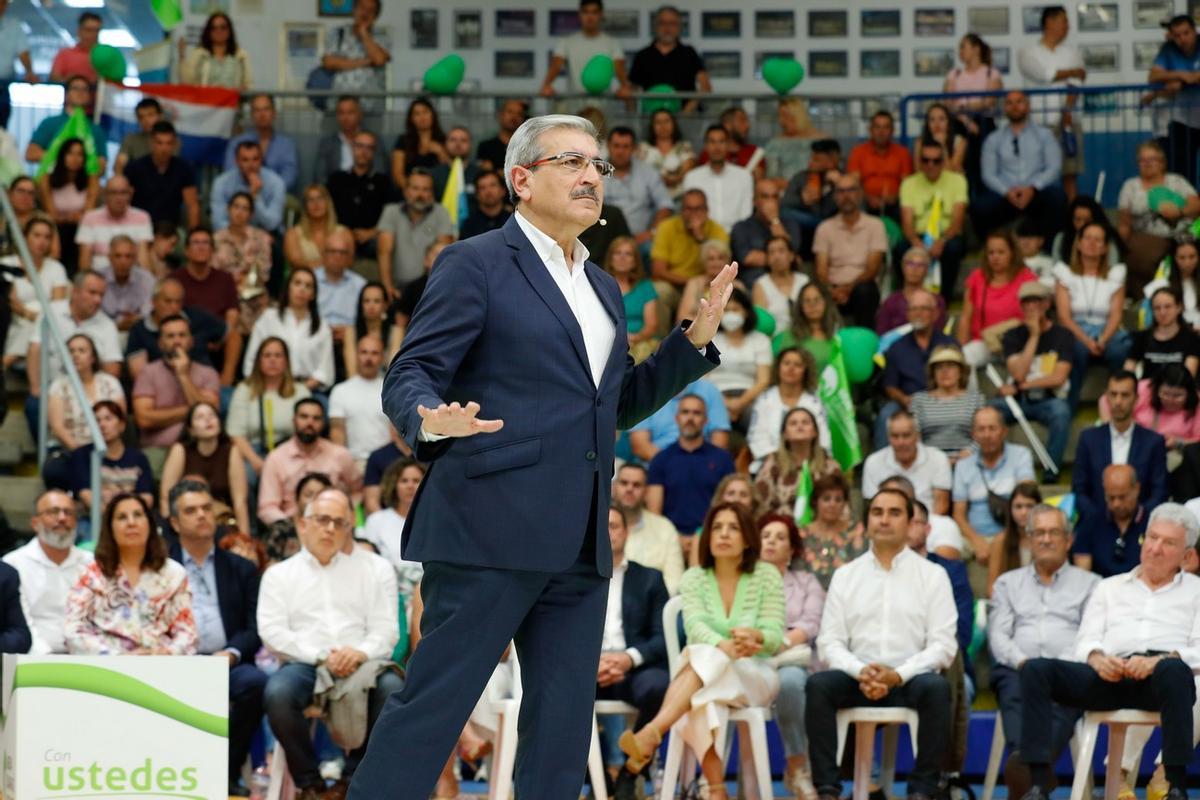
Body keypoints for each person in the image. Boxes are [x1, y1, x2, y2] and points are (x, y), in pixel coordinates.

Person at [350, 113, 735, 797]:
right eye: (572, 162)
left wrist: (689, 346)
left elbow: (610, 407)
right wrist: (427, 420)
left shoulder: (603, 288)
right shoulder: (474, 263)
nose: (593, 176)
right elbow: (409, 372)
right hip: (485, 527)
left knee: (560, 735)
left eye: (600, 166)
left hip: (579, 542)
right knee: (430, 715)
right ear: (522, 180)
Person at [1015, 503, 1200, 800]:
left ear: (1187, 555)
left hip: (1160, 680)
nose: (1155, 548)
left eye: (1168, 543)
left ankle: (1175, 787)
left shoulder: (1195, 591)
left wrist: (1158, 662)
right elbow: (1086, 638)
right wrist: (1097, 658)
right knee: (1036, 669)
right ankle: (1037, 784)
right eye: (1151, 538)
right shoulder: (1109, 587)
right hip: (1107, 676)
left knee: (1175, 671)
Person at [617, 503, 783, 800]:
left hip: (756, 673)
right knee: (703, 694)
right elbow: (694, 627)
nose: (723, 534)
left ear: (747, 538)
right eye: (717, 528)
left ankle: (654, 731)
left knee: (703, 667)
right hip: (708, 678)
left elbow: (774, 635)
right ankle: (716, 790)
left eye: (733, 528)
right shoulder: (694, 578)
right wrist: (724, 646)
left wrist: (755, 637)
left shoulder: (767, 575)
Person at [807, 488, 956, 800]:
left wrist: (898, 674)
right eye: (877, 512)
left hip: (909, 678)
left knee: (938, 689)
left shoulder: (933, 575)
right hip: (857, 677)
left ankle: (922, 790)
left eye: (894, 512)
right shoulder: (846, 575)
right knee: (818, 684)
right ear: (867, 522)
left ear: (909, 522)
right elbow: (829, 642)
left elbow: (943, 645)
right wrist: (862, 671)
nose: (884, 519)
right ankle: (827, 789)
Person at [259, 488, 403, 797]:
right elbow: (272, 632)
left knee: (392, 688)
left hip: (361, 661)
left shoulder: (372, 569)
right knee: (278, 693)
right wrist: (323, 655)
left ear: (349, 528)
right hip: (306, 662)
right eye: (322, 519)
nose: (330, 529)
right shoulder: (279, 575)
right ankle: (310, 784)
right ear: (302, 524)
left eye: (340, 523)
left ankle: (351, 781)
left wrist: (360, 652)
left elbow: (386, 629)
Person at [988, 503, 1099, 798]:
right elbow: (998, 635)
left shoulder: (1092, 585)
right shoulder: (1007, 583)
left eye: (1053, 532)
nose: (1046, 539)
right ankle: (1034, 772)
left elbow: (1090, 635)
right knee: (1013, 691)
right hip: (1017, 667)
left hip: (1068, 670)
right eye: (1039, 533)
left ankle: (1025, 764)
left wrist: (1052, 669)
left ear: (1068, 540)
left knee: (1064, 697)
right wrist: (1024, 663)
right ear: (1029, 538)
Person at [165, 479, 267, 796]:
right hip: (174, 661)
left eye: (207, 508)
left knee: (256, 682)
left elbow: (255, 628)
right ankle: (172, 770)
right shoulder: (161, 565)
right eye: (191, 510)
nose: (202, 516)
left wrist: (233, 652)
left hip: (227, 662)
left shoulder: (240, 567)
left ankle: (227, 770)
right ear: (174, 522)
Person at [64, 492, 197, 655]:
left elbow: (187, 633)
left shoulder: (174, 574)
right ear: (110, 528)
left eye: (138, 515)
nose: (131, 523)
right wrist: (119, 657)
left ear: (150, 524)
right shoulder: (90, 573)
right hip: (106, 670)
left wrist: (166, 653)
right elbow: (73, 630)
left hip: (162, 668)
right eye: (122, 517)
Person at [597, 504, 670, 799]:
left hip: (633, 668)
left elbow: (663, 637)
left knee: (659, 686)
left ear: (626, 533)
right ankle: (598, 777)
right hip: (588, 670)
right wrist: (593, 663)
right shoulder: (575, 579)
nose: (608, 532)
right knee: (556, 691)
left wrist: (628, 658)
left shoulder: (649, 578)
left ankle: (630, 771)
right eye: (602, 526)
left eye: (614, 525)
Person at [754, 514, 822, 798]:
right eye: (766, 535)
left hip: (790, 657)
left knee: (792, 682)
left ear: (792, 549)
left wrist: (778, 643)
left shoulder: (806, 581)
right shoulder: (744, 581)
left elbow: (811, 623)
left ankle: (797, 765)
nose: (771, 541)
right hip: (751, 657)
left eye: (780, 537)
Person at [994, 280, 1075, 479]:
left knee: (1061, 412)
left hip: (1049, 399)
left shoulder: (1063, 335)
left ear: (1047, 304)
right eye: (1026, 303)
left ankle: (1051, 473)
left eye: (1036, 302)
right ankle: (998, 470)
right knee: (988, 412)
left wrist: (1022, 386)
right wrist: (1034, 336)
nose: (1031, 307)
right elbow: (1019, 372)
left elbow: (1059, 377)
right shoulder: (1012, 336)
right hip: (1018, 401)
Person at [4, 490, 91, 654]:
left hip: (89, 659)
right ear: (35, 522)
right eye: (53, 512)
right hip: (32, 660)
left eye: (69, 512)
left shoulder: (92, 564)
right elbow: (20, 624)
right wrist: (46, 658)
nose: (62, 518)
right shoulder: (14, 564)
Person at [1055, 222, 1130, 410]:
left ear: (1105, 248)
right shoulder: (1065, 274)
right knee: (1076, 348)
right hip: (1076, 331)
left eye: (1098, 239)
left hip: (1106, 331)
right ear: (1078, 244)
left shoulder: (1115, 274)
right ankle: (1069, 405)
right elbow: (1064, 316)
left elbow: (1116, 315)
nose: (1092, 243)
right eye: (1087, 238)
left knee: (1121, 349)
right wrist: (1087, 341)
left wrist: (1102, 339)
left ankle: (1118, 404)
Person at [1073, 370, 1170, 515]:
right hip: (1096, 524)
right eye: (1113, 394)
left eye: (1125, 395)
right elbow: (1079, 490)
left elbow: (1160, 492)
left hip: (1141, 525)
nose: (1118, 402)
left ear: (1136, 398)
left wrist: (1138, 519)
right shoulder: (1088, 439)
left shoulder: (1153, 442)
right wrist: (1098, 520)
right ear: (1106, 397)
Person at [974, 90, 1066, 241]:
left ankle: (1050, 250)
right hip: (1005, 194)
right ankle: (991, 250)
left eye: (1019, 102)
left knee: (1057, 199)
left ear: (1028, 106)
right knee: (980, 207)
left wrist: (1033, 188)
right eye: (1009, 103)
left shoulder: (1045, 135)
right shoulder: (993, 139)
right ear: (1004, 108)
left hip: (1036, 192)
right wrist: (1007, 191)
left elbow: (1054, 168)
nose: (1014, 106)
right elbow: (988, 174)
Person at [27, 271, 121, 414]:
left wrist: (94, 394)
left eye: (101, 295)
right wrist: (36, 388)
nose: (98, 300)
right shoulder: (51, 312)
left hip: (88, 393)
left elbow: (112, 369)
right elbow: (35, 349)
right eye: (92, 293)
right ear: (75, 292)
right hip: (52, 389)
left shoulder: (107, 325)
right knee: (34, 406)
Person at [1017, 5, 1086, 200]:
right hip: (1039, 123)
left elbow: (1076, 83)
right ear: (1050, 22)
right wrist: (1072, 71)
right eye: (1064, 21)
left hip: (1068, 121)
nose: (1068, 26)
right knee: (1035, 174)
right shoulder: (1028, 52)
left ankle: (1073, 219)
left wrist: (1067, 111)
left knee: (1070, 174)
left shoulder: (1072, 52)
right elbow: (1044, 76)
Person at [952, 407, 1037, 564]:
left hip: (1013, 533)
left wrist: (1001, 541)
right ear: (973, 434)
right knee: (947, 549)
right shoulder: (963, 465)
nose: (987, 435)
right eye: (981, 429)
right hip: (975, 536)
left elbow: (1027, 497)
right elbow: (958, 514)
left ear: (1004, 431)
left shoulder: (1020, 455)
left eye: (992, 428)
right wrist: (977, 541)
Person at [257, 399, 360, 527]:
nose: (309, 423)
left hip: (333, 525)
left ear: (323, 423)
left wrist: (344, 516)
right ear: (294, 420)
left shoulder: (340, 455)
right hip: (291, 527)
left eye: (316, 418)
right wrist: (292, 527)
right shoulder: (276, 459)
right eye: (304, 417)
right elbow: (267, 508)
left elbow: (358, 491)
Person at [131, 314, 221, 460]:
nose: (177, 341)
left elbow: (210, 414)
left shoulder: (208, 373)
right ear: (161, 343)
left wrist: (183, 376)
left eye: (182, 335)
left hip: (201, 449)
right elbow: (144, 419)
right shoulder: (148, 373)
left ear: (191, 341)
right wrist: (190, 410)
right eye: (170, 336)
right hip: (159, 449)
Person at [646, 394, 736, 540]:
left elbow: (729, 507)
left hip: (710, 537)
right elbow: (654, 514)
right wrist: (675, 540)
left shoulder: (722, 459)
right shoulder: (661, 460)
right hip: (670, 539)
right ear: (677, 418)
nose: (690, 418)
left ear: (706, 420)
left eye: (697, 413)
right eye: (685, 412)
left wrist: (701, 538)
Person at [876, 291, 958, 448]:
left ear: (935, 314)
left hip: (945, 400)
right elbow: (890, 386)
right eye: (913, 309)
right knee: (886, 415)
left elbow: (961, 380)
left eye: (924, 309)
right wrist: (905, 400)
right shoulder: (896, 347)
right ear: (908, 314)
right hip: (907, 402)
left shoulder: (949, 344)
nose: (918, 314)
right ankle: (886, 470)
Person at [1118, 140, 1200, 294]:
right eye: (1142, 160)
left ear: (1162, 163)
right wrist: (1119, 247)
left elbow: (1196, 204)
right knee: (1145, 253)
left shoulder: (1177, 181)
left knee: (1187, 248)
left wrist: (1179, 211)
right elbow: (1124, 222)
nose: (1147, 164)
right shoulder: (1130, 186)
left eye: (1152, 159)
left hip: (1185, 234)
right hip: (1147, 237)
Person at [226, 336, 312, 480]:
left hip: (291, 452)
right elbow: (236, 434)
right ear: (259, 361)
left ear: (286, 361)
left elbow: (308, 428)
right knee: (246, 475)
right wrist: (257, 462)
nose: (273, 360)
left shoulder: (300, 391)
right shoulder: (245, 390)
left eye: (278, 355)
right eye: (267, 355)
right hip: (254, 452)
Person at [810, 173, 887, 329]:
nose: (846, 196)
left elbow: (872, 268)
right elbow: (821, 270)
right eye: (841, 191)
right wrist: (833, 291)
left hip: (861, 288)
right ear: (835, 196)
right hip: (832, 290)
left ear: (860, 194)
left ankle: (865, 340)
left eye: (851, 190)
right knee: (814, 293)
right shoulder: (825, 228)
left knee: (865, 291)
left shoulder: (875, 225)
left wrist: (847, 289)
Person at [159, 402, 250, 533]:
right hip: (187, 523)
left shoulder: (231, 451)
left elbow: (240, 502)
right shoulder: (180, 450)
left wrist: (244, 538)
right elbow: (166, 497)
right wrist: (171, 532)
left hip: (222, 522)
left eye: (212, 415)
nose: (208, 420)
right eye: (200, 417)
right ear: (191, 429)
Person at [242, 267, 335, 393]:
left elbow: (324, 371)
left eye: (308, 286)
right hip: (268, 387)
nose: (302, 289)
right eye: (297, 283)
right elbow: (251, 361)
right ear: (288, 288)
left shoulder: (321, 326)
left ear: (313, 294)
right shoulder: (269, 318)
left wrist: (300, 390)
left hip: (307, 390)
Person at [956, 230, 1038, 369]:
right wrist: (958, 349)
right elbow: (965, 317)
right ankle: (969, 392)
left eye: (1001, 252)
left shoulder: (1027, 278)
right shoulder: (977, 277)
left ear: (1012, 253)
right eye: (991, 253)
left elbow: (1035, 316)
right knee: (960, 362)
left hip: (1019, 344)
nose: (995, 257)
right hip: (984, 343)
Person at [899, 138, 969, 300]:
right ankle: (909, 298)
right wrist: (917, 243)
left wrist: (942, 241)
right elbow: (907, 223)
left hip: (947, 234)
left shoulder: (957, 181)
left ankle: (943, 299)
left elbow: (958, 222)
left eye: (936, 161)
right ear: (920, 161)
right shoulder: (909, 183)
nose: (931, 165)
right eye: (926, 160)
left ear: (943, 161)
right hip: (920, 235)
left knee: (953, 248)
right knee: (901, 250)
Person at [171, 227, 241, 387]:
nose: (201, 247)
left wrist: (221, 338)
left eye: (205, 243)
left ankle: (226, 381)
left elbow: (232, 313)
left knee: (234, 336)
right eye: (196, 243)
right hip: (187, 336)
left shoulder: (225, 278)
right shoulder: (175, 279)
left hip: (218, 335)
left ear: (212, 251)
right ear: (187, 250)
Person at [125, 276, 225, 380]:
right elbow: (140, 376)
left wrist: (227, 374)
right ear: (153, 302)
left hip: (205, 385)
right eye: (168, 301)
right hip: (160, 388)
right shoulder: (139, 331)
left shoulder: (196, 317)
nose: (174, 307)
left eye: (178, 302)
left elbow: (232, 336)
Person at [746, 347, 828, 474]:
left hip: (810, 467)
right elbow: (756, 438)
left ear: (805, 370)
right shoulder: (765, 400)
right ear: (778, 368)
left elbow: (823, 438)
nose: (791, 368)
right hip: (769, 466)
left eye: (797, 365)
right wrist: (777, 461)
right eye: (786, 363)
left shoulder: (814, 403)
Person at [377, 168, 455, 301]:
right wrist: (387, 287)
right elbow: (384, 251)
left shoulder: (441, 213)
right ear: (405, 191)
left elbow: (443, 254)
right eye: (415, 188)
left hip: (429, 289)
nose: (420, 194)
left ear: (432, 193)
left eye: (426, 189)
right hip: (396, 287)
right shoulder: (391, 212)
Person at [3, 216, 68, 369]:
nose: (42, 241)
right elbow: (11, 301)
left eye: (47, 237)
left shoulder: (56, 268)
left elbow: (58, 304)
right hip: (14, 321)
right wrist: (31, 315)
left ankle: (7, 361)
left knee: (40, 325)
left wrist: (37, 317)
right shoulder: (7, 264)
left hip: (46, 324)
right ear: (25, 237)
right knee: (32, 326)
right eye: (36, 235)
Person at [612, 463, 686, 595]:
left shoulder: (665, 529)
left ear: (646, 491)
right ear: (614, 487)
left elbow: (674, 582)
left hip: (651, 610)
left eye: (637, 485)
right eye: (624, 483)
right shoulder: (597, 525)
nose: (629, 489)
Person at [68, 401, 154, 513]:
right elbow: (86, 496)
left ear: (122, 425)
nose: (102, 425)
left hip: (130, 519)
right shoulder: (82, 455)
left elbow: (146, 497)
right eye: (97, 421)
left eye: (108, 419)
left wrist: (127, 518)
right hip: (92, 520)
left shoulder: (138, 458)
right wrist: (112, 521)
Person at [650, 189, 728, 311]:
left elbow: (721, 268)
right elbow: (658, 271)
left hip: (706, 285)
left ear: (707, 211)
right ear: (681, 210)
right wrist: (691, 283)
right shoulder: (666, 227)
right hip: (674, 286)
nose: (693, 214)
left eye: (698, 209)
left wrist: (701, 238)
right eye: (689, 209)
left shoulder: (718, 231)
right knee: (659, 290)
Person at [754, 407, 839, 518]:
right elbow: (760, 506)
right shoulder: (772, 464)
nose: (800, 426)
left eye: (805, 422)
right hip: (782, 529)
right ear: (785, 435)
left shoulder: (830, 466)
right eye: (793, 423)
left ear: (815, 433)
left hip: (820, 529)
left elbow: (839, 505)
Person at [862, 411, 953, 515]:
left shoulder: (938, 458)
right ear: (888, 437)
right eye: (895, 436)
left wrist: (920, 528)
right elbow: (872, 508)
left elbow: (941, 506)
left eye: (906, 435)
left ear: (917, 436)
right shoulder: (873, 462)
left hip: (928, 525)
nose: (901, 442)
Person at [46, 333, 124, 452]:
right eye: (71, 351)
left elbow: (120, 422)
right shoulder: (58, 386)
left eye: (81, 351)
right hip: (72, 452)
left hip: (107, 451)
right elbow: (57, 428)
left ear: (93, 358)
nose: (75, 355)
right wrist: (81, 455)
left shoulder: (110, 383)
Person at [945, 33, 1004, 189]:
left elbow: (989, 100)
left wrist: (964, 107)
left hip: (984, 123)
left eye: (963, 47)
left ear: (976, 49)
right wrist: (965, 119)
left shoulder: (991, 73)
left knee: (983, 162)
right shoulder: (954, 74)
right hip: (959, 123)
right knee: (959, 161)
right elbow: (948, 102)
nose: (960, 52)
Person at [362, 459, 425, 600]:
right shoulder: (376, 521)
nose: (410, 486)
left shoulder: (434, 520)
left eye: (416, 480)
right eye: (404, 481)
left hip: (426, 592)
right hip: (388, 591)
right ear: (394, 485)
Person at [628, 5, 711, 113]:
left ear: (679, 27)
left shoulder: (689, 53)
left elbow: (705, 87)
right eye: (663, 23)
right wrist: (634, 120)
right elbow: (631, 91)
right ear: (655, 26)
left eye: (672, 24)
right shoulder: (643, 55)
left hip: (685, 119)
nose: (667, 29)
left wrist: (686, 113)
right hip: (651, 120)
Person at [710, 288, 771, 432]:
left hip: (750, 396)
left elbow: (763, 380)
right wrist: (723, 403)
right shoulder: (710, 339)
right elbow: (702, 378)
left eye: (735, 309)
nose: (731, 314)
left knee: (759, 418)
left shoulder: (760, 340)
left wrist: (740, 403)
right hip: (714, 395)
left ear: (746, 312)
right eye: (727, 309)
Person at [911, 345, 984, 461]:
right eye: (939, 367)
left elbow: (984, 434)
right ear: (933, 373)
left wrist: (968, 453)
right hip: (929, 462)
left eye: (950, 366)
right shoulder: (919, 400)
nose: (944, 371)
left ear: (961, 371)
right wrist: (935, 461)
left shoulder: (975, 399)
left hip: (968, 461)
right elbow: (914, 437)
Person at [541, 0, 630, 97]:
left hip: (603, 107)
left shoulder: (613, 43)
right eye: (586, 12)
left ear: (601, 14)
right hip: (574, 106)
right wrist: (546, 85)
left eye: (594, 12)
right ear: (580, 15)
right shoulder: (566, 42)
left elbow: (619, 68)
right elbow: (556, 66)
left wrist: (624, 86)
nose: (590, 17)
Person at [1150, 14, 1200, 187]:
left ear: (1194, 31)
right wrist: (1181, 75)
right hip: (1182, 121)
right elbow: (1153, 76)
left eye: (1186, 33)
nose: (1182, 39)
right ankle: (1186, 211)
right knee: (1181, 174)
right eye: (1177, 35)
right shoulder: (1168, 49)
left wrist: (1195, 77)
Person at [1072, 464, 1148, 578]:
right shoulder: (1090, 523)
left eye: (1122, 497)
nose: (1116, 504)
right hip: (1099, 590)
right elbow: (1082, 576)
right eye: (1111, 497)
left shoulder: (1152, 524)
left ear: (1136, 489)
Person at [603, 127, 672, 247]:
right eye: (616, 146)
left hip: (640, 240)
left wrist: (651, 233)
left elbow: (665, 205)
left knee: (652, 248)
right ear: (608, 146)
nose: (620, 151)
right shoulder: (594, 171)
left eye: (626, 147)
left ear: (634, 149)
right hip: (603, 238)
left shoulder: (648, 172)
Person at [124, 121, 201, 229]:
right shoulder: (134, 168)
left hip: (171, 230)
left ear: (174, 144)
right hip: (138, 228)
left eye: (168, 143)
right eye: (159, 143)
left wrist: (193, 237)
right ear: (151, 143)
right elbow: (124, 202)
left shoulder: (184, 169)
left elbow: (192, 206)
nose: (164, 148)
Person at [320, 0, 391, 114]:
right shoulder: (338, 33)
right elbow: (329, 62)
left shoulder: (382, 35)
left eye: (370, 11)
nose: (365, 13)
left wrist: (364, 33)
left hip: (372, 107)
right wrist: (366, 61)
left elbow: (379, 60)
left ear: (376, 16)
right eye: (362, 8)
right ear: (354, 10)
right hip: (339, 107)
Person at [330, 336, 390, 468]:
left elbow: (396, 432)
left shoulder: (391, 390)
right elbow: (337, 433)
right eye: (364, 352)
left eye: (374, 353)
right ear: (356, 355)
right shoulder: (340, 391)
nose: (368, 358)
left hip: (387, 462)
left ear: (383, 357)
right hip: (354, 462)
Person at [37, 137, 97, 272]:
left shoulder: (91, 179)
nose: (75, 158)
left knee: (84, 233)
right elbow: (50, 213)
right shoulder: (47, 179)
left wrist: (68, 217)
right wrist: (69, 217)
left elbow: (88, 215)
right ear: (62, 155)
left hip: (81, 230)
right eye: (70, 153)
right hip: (57, 229)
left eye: (80, 154)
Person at [25, 76, 108, 172]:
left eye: (84, 89)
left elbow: (102, 166)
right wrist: (64, 160)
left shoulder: (96, 129)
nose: (80, 93)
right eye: (75, 88)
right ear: (66, 94)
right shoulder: (50, 123)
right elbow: (31, 153)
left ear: (90, 96)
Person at [682, 126, 754, 234]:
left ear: (729, 145)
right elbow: (690, 214)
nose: (717, 147)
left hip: (736, 236)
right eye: (712, 142)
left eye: (721, 142)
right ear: (706, 146)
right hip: (703, 234)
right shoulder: (692, 178)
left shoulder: (744, 177)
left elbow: (745, 216)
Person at [224, 94, 299, 192]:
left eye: (266, 109)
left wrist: (268, 191)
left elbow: (290, 177)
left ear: (274, 113)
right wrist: (249, 193)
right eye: (257, 110)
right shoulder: (237, 143)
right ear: (251, 115)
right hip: (242, 198)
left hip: (276, 196)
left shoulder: (286, 145)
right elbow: (230, 173)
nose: (262, 114)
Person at [75, 176, 152, 271]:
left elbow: (143, 258)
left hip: (132, 278)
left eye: (123, 193)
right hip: (99, 279)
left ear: (131, 193)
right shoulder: (89, 218)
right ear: (105, 194)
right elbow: (85, 260)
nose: (118, 198)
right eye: (113, 193)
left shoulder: (142, 218)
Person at [847, 111, 913, 219]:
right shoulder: (858, 152)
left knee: (906, 205)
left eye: (886, 127)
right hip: (865, 202)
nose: (881, 132)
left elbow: (907, 184)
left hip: (895, 203)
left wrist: (895, 197)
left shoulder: (902, 153)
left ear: (892, 131)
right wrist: (867, 197)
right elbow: (853, 183)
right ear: (870, 130)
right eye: (877, 127)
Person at [604, 235, 659, 361]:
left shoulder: (645, 287)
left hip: (639, 342)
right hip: (606, 342)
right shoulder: (599, 284)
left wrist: (634, 338)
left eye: (628, 254)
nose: (622, 257)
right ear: (610, 259)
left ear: (635, 261)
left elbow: (652, 325)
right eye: (618, 253)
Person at [211, 141, 286, 234]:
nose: (251, 165)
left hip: (267, 234)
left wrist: (256, 197)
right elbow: (218, 223)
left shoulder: (276, 183)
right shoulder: (222, 183)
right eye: (245, 160)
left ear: (261, 160)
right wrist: (247, 234)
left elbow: (272, 224)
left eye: (255, 159)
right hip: (231, 233)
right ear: (236, 161)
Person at [1128, 287, 1200, 382]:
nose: (1162, 312)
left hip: (1178, 391)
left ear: (1179, 307)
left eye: (1168, 306)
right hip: (1147, 390)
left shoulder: (1192, 338)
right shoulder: (1142, 337)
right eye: (1157, 308)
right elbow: (1128, 371)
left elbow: (1189, 376)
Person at [985, 481, 1044, 595]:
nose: (1023, 512)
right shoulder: (1000, 540)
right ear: (1010, 509)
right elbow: (991, 588)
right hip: (1009, 603)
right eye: (1018, 506)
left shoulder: (1047, 540)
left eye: (1029, 506)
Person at [875, 247, 946, 336]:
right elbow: (882, 335)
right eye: (910, 264)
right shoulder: (890, 302)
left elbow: (938, 333)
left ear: (927, 270)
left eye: (920, 265)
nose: (914, 269)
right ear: (903, 267)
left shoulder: (936, 301)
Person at [316, 96, 388, 183]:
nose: (345, 118)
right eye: (341, 113)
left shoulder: (373, 140)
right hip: (336, 191)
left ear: (360, 115)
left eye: (350, 112)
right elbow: (320, 177)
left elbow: (380, 172)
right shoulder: (327, 143)